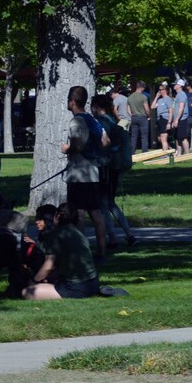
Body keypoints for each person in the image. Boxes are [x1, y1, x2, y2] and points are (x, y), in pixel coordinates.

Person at [61, 85, 109, 260]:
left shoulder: (76, 121)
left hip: (78, 174)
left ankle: (82, 252)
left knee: (79, 214)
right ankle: (102, 251)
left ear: (72, 102)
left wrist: (66, 148)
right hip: (94, 173)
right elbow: (105, 141)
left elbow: (77, 146)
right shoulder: (92, 120)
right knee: (96, 213)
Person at [22, 202, 99, 300]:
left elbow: (48, 266)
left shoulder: (56, 235)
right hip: (93, 282)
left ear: (57, 216)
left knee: (27, 292)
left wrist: (34, 281)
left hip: (76, 288)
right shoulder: (75, 231)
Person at [90, 94, 137, 249]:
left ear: (96, 107)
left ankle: (113, 237)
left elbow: (102, 146)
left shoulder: (101, 124)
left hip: (106, 167)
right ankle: (128, 233)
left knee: (105, 204)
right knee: (110, 203)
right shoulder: (113, 121)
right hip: (116, 167)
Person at [125, 81, 151, 152]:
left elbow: (128, 110)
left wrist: (132, 115)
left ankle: (132, 152)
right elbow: (147, 109)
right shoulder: (143, 97)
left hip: (134, 117)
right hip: (143, 117)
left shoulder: (130, 97)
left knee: (133, 136)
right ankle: (145, 152)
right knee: (144, 137)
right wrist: (149, 116)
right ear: (142, 87)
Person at [150, 83, 174, 152]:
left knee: (163, 137)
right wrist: (156, 97)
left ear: (165, 90)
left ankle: (165, 154)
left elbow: (171, 111)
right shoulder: (160, 100)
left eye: (161, 89)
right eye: (159, 90)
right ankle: (170, 149)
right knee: (159, 138)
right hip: (159, 119)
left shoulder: (168, 99)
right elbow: (152, 106)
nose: (159, 91)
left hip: (165, 119)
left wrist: (169, 122)